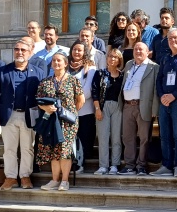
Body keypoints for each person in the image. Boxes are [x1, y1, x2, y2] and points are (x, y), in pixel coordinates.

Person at [0, 39, 46, 190]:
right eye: (17, 49)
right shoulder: (3, 70)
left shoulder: (38, 72)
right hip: (9, 115)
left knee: (28, 147)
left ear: (30, 52)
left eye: (23, 50)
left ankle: (25, 176)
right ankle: (11, 177)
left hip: (29, 115)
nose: (19, 52)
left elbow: (42, 95)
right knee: (9, 148)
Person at [36, 51, 85, 191]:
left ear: (65, 63)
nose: (56, 63)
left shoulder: (73, 80)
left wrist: (70, 113)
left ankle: (64, 181)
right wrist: (47, 108)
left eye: (59, 60)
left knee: (65, 150)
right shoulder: (45, 82)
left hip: (67, 122)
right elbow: (39, 101)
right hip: (51, 121)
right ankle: (54, 180)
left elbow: (80, 100)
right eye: (54, 61)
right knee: (53, 150)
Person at [150, 28, 177, 177]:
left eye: (176, 38)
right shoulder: (165, 58)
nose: (173, 41)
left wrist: (173, 96)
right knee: (164, 135)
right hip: (164, 103)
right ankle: (166, 165)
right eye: (170, 38)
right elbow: (159, 79)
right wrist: (162, 95)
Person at [118, 42, 159, 176]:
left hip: (144, 106)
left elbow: (155, 90)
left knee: (144, 138)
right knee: (128, 137)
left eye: (141, 49)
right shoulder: (129, 64)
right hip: (128, 106)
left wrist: (154, 110)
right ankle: (129, 165)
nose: (138, 51)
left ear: (148, 52)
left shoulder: (154, 67)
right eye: (136, 49)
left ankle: (141, 165)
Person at [92, 48, 124, 175]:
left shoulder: (122, 75)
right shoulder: (100, 74)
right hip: (103, 106)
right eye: (110, 56)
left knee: (116, 137)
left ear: (119, 60)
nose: (112, 59)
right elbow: (95, 92)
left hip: (118, 106)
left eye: (115, 57)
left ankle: (115, 165)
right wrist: (97, 109)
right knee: (103, 137)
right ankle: (103, 165)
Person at [67, 41, 97, 174]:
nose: (77, 52)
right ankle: (71, 163)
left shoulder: (90, 68)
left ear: (84, 52)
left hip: (85, 110)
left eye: (79, 50)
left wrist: (75, 101)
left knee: (84, 139)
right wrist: (68, 102)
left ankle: (81, 164)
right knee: (70, 139)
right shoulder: (65, 67)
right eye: (74, 50)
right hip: (67, 111)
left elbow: (88, 89)